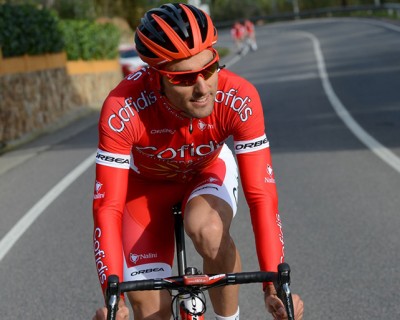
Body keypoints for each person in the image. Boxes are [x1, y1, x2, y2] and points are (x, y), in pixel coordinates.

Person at [92, 3, 304, 320]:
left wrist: (275, 289)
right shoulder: (123, 109)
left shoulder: (239, 97)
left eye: (209, 69)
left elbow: (261, 197)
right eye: (184, 78)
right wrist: (114, 301)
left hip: (206, 172)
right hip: (145, 190)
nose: (203, 88)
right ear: (155, 78)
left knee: (207, 229)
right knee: (149, 308)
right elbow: (107, 207)